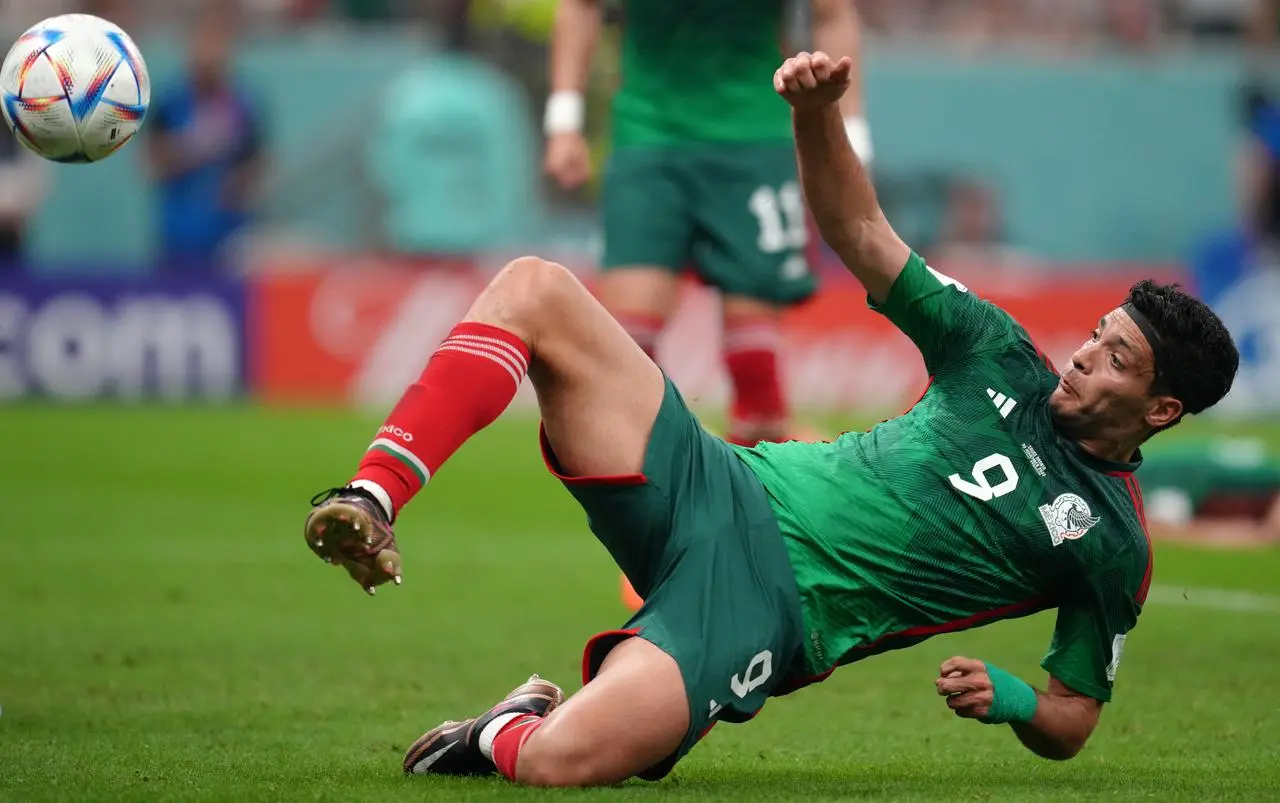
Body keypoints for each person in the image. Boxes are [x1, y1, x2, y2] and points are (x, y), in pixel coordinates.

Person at [301, 51, 1240, 788]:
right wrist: (815, 115)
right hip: (723, 481)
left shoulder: (1111, 542)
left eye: (1117, 357)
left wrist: (1014, 698)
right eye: (1099, 335)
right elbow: (862, 236)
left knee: (557, 764)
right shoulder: (996, 353)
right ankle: (372, 495)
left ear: (1161, 408)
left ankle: (502, 726)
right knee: (537, 289)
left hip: (768, 608)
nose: (1085, 354)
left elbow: (1075, 716)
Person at [543, 0, 872, 449]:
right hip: (649, 135)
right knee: (628, 341)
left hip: (753, 135)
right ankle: (671, 461)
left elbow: (831, 13)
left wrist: (851, 136)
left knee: (754, 364)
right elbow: (580, 7)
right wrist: (564, 122)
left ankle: (760, 473)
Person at [144, 11, 265, 270]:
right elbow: (151, 163)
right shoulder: (171, 102)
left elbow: (257, 163)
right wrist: (190, 148)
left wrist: (237, 187)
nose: (209, 56)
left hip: (230, 234)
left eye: (217, 47)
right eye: (203, 46)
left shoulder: (243, 105)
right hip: (179, 230)